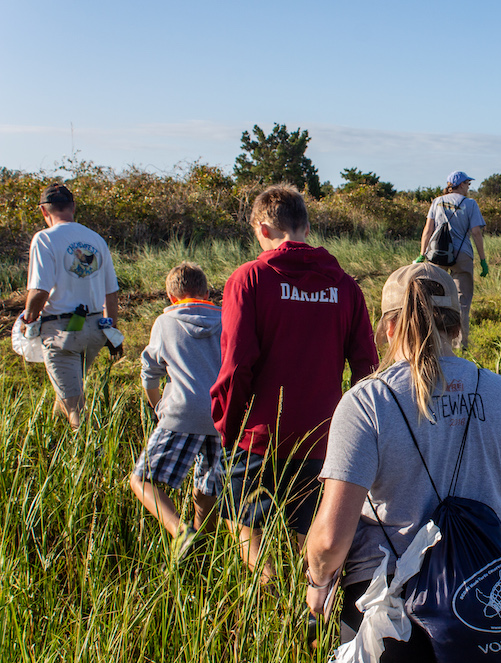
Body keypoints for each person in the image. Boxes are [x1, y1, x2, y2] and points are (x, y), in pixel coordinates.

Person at [305, 263, 501, 662]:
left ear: (388, 327)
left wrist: (317, 582)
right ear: (455, 325)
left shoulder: (367, 403)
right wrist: (497, 587)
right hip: (481, 609)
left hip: (389, 612)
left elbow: (331, 540)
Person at [211, 184, 379, 583]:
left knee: (246, 527)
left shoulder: (248, 279)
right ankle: (308, 616)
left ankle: (270, 602)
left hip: (257, 437)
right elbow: (367, 370)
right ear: (305, 225)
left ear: (264, 228)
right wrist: (359, 436)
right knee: (311, 541)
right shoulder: (346, 287)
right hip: (324, 438)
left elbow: (236, 365)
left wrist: (227, 428)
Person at [131, 262, 223, 561]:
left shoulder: (165, 322)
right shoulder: (226, 319)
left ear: (171, 296)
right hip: (221, 415)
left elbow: (150, 372)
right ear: (207, 292)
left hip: (181, 412)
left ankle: (181, 532)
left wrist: (157, 404)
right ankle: (202, 549)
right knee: (208, 485)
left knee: (141, 480)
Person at [22, 184, 120, 429]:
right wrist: (112, 330)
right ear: (73, 207)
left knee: (74, 404)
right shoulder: (95, 239)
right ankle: (56, 436)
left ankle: (90, 455)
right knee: (66, 389)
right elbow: (111, 291)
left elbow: (40, 290)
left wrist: (29, 319)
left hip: (62, 332)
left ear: (44, 211)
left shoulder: (44, 238)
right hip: (94, 329)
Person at [416, 171, 489, 350]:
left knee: (434, 298)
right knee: (462, 301)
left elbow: (427, 230)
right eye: (467, 184)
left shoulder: (437, 202)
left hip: (438, 254)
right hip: (463, 255)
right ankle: (460, 345)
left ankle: (433, 341)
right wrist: (483, 260)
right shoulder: (470, 204)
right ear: (461, 184)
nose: (468, 188)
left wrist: (422, 254)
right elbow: (476, 232)